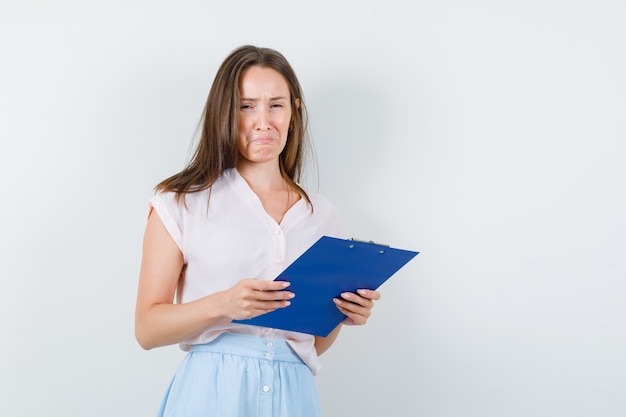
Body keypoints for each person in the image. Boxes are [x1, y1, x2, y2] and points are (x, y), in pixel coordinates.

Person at [135, 45, 381, 417]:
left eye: (276, 105)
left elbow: (313, 342)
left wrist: (343, 314)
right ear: (224, 114)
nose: (263, 121)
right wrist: (224, 305)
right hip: (211, 394)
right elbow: (147, 329)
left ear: (294, 113)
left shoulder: (323, 216)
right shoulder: (180, 203)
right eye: (246, 106)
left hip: (294, 395)